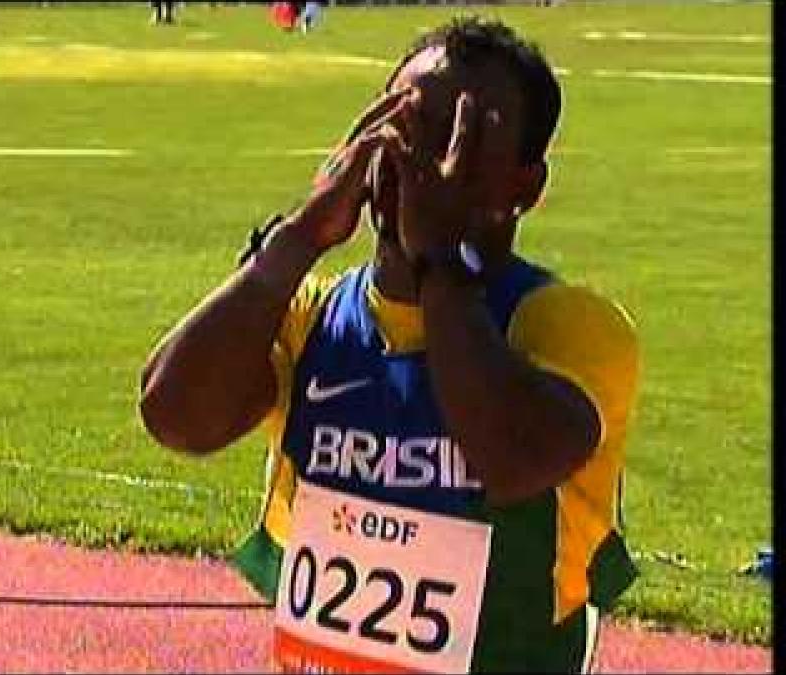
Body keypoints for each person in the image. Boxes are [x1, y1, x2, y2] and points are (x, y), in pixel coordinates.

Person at [139, 16, 640, 674]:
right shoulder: (310, 313)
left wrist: (439, 259)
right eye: (403, 127)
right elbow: (175, 415)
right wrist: (298, 239)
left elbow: (512, 459)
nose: (418, 162)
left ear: (526, 186)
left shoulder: (565, 323)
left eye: (461, 140)